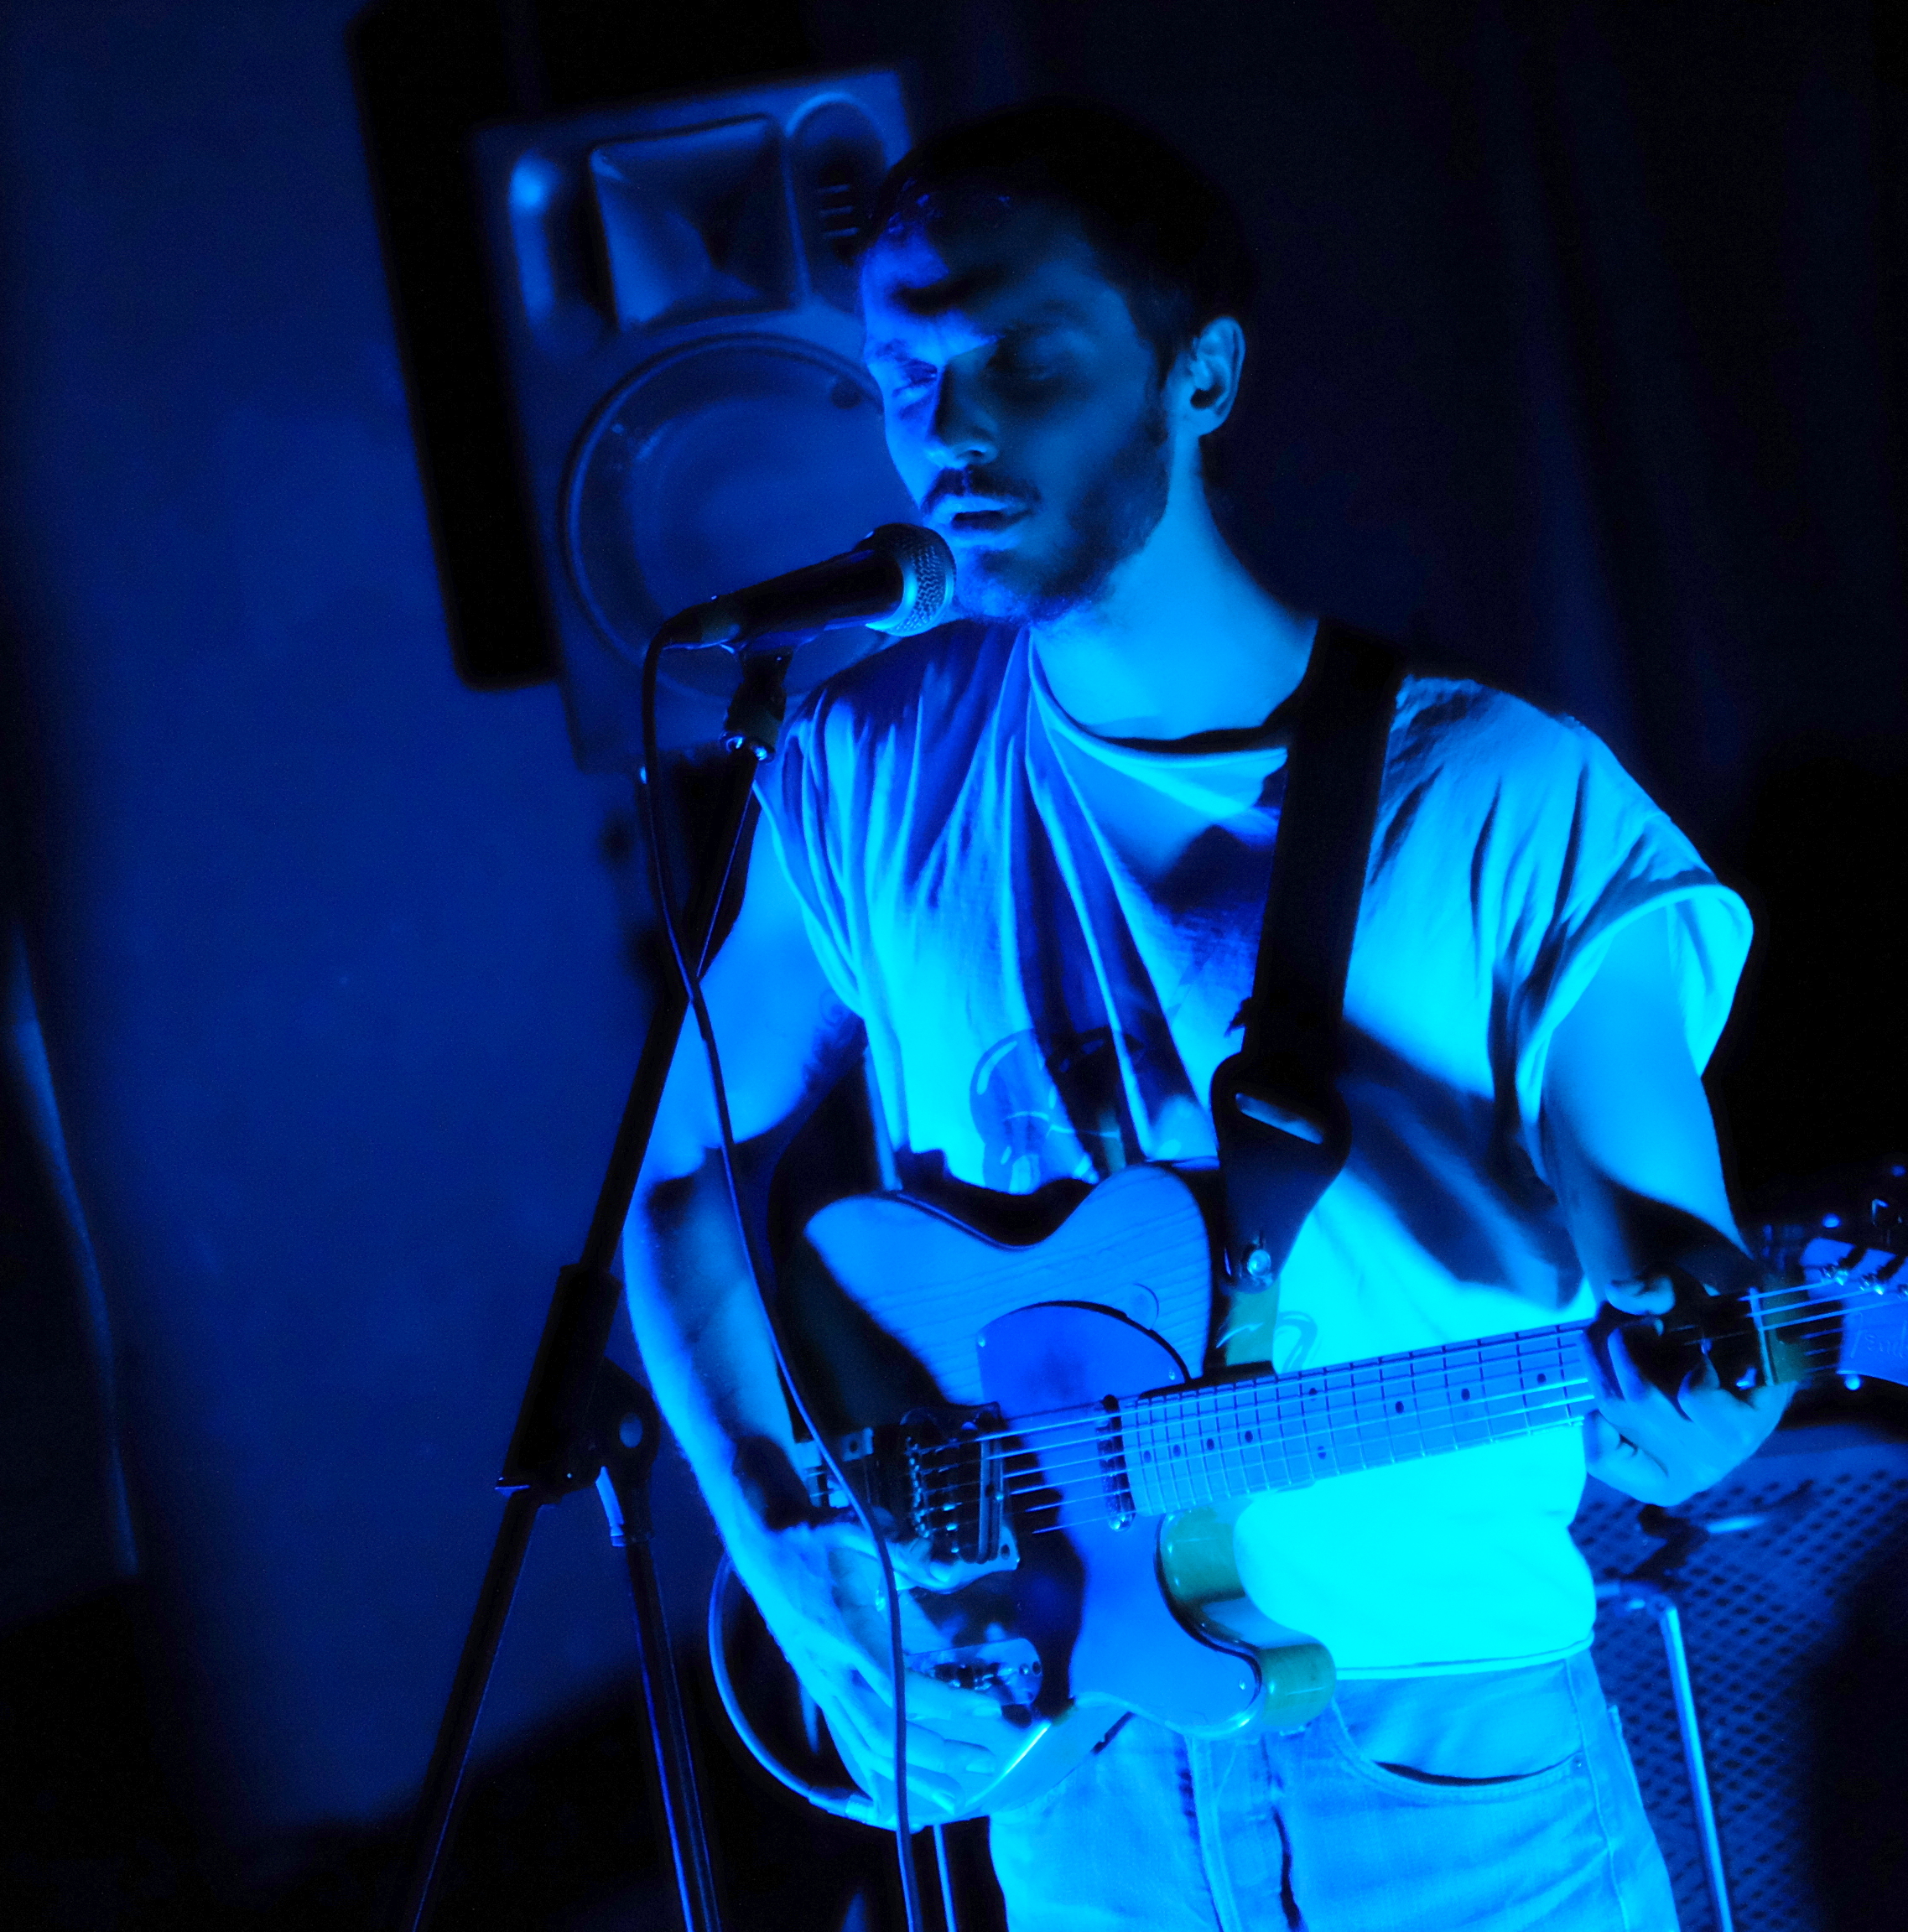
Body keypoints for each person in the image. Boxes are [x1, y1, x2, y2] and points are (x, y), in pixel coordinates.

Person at [623, 99, 1790, 1931]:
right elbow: (679, 1172)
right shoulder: (859, 766)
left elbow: (1678, 1271)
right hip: (1075, 1784)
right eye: (905, 377)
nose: (951, 429)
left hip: (1444, 1778)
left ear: (1204, 375)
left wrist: (1707, 1390)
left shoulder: (1504, 796)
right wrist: (793, 1555)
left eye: (1025, 357)